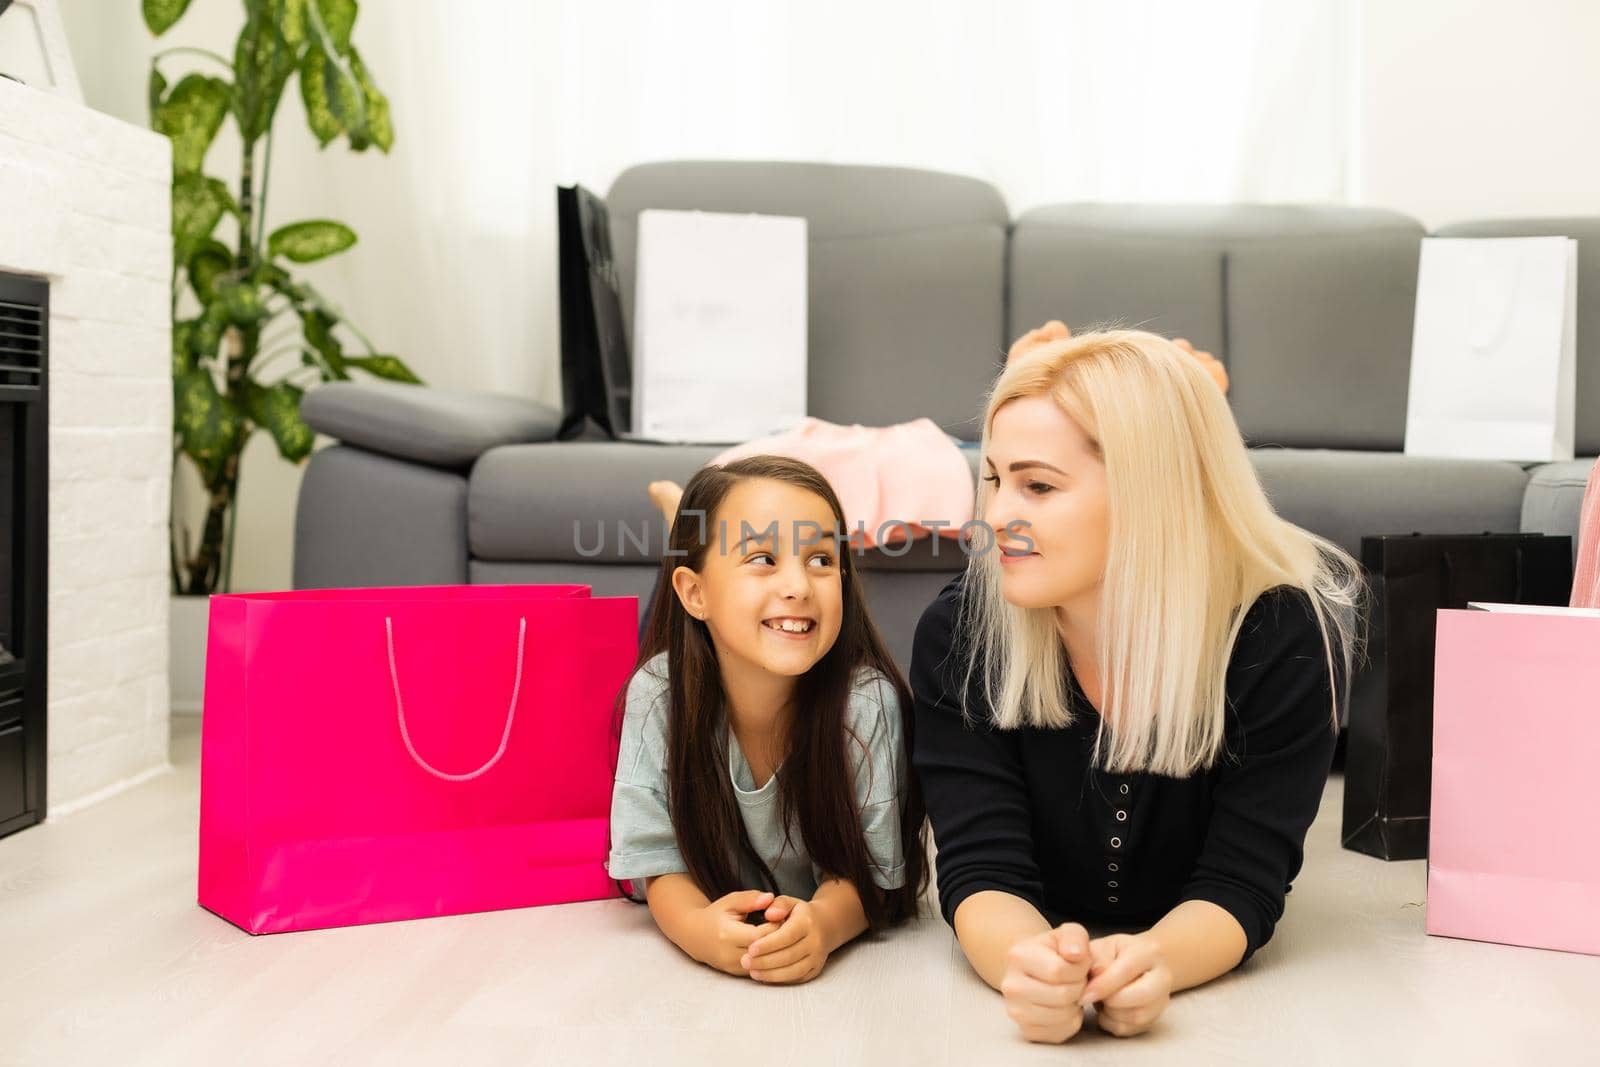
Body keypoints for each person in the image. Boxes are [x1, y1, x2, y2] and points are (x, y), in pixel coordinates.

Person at [912, 326, 1362, 1042]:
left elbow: (1243, 880)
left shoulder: (1279, 638)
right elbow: (980, 865)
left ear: (1152, 491)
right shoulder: (961, 635)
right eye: (995, 478)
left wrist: (1156, 959)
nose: (994, 517)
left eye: (1037, 484)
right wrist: (1027, 964)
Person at [607, 454, 930, 984]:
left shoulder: (867, 702)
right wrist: (697, 930)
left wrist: (823, 924)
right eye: (762, 557)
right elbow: (657, 859)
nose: (800, 586)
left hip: (722, 617)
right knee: (668, 649)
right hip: (693, 643)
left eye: (822, 561)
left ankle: (688, 532)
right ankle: (678, 529)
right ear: (696, 591)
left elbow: (869, 874)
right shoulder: (657, 693)